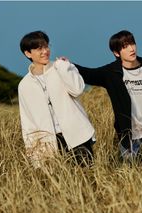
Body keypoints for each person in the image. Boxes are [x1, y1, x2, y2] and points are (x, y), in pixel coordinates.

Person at [74, 30, 142, 162]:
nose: (131, 49)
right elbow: (89, 74)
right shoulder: (111, 73)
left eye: (132, 44)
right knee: (134, 173)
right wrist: (68, 65)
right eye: (125, 47)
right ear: (116, 53)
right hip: (130, 136)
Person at [18, 31, 95, 168]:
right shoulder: (24, 85)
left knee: (88, 179)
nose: (45, 51)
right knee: (60, 184)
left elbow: (77, 90)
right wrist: (33, 152)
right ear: (28, 53)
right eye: (39, 48)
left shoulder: (61, 67)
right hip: (49, 143)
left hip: (77, 135)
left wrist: (64, 68)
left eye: (46, 46)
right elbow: (27, 120)